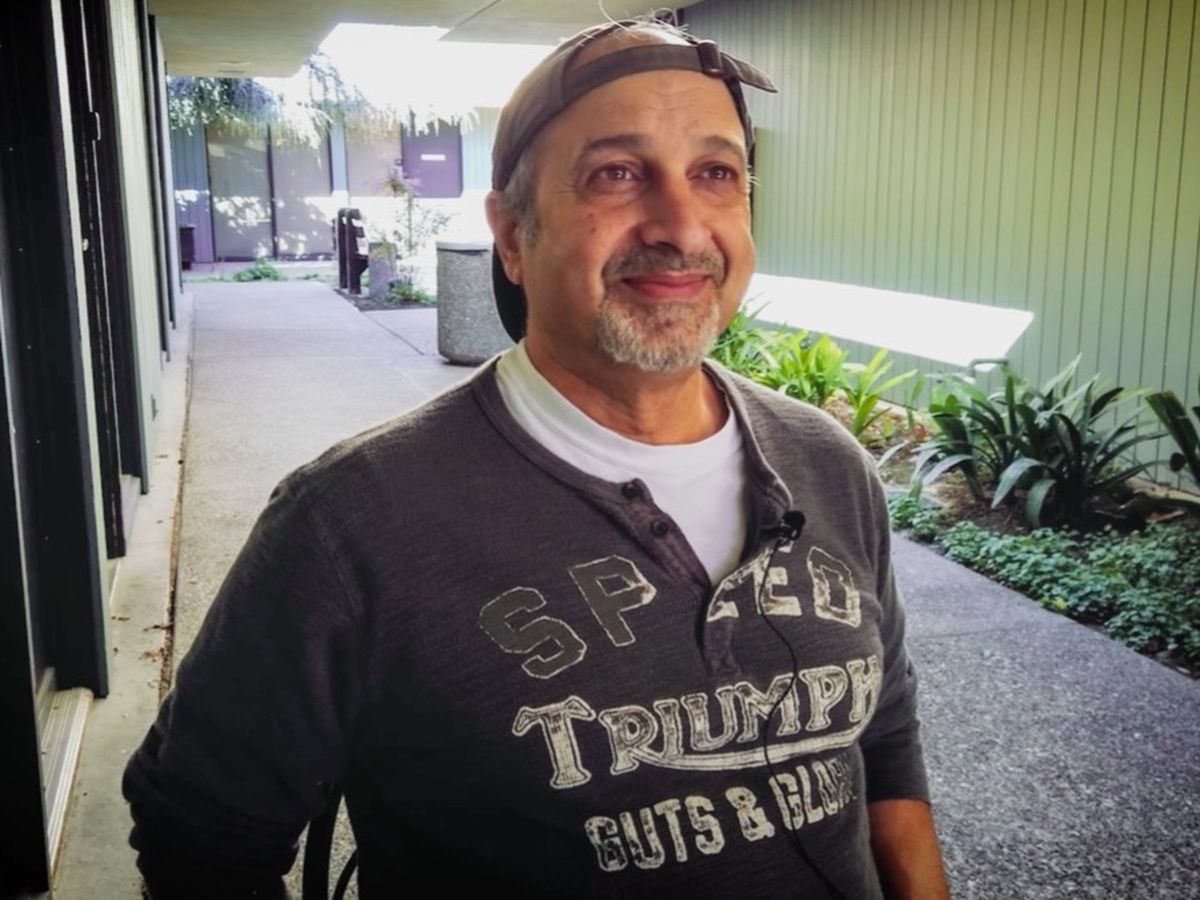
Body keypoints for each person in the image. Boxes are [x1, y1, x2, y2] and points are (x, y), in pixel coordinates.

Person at [124, 18, 949, 899]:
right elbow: (200, 841)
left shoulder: (826, 462)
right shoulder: (349, 524)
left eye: (716, 174)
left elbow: (884, 741)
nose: (681, 226)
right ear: (513, 235)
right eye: (616, 173)